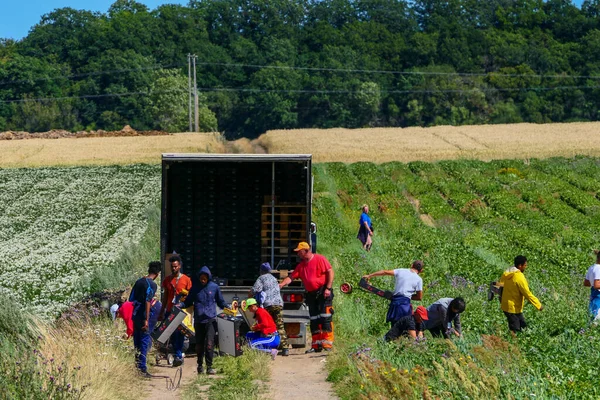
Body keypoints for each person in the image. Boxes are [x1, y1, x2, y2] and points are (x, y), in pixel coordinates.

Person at [279, 242, 335, 353]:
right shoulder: (301, 266)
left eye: (299, 252)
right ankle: (316, 345)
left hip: (323, 292)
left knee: (325, 317)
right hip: (311, 294)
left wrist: (328, 288)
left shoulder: (320, 259)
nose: (298, 254)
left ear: (306, 251)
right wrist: (281, 284)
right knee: (314, 319)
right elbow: (291, 277)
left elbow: (330, 272)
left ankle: (327, 344)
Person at [181, 266, 228, 375]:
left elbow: (221, 302)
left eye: (204, 279)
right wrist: (180, 305)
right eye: (201, 278)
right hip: (198, 320)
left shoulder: (214, 287)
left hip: (210, 320)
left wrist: (228, 307)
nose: (202, 280)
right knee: (199, 344)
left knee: (210, 343)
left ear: (208, 278)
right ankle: (200, 365)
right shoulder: (195, 288)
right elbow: (188, 302)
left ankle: (209, 367)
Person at [362, 260, 424, 326]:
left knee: (394, 326)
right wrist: (406, 296)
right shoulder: (419, 279)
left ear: (411, 265)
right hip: (405, 305)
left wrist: (370, 275)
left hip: (395, 302)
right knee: (406, 326)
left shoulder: (401, 271)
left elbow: (384, 272)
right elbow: (419, 297)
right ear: (421, 271)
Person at [159, 255, 192, 367]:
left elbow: (190, 297)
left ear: (179, 266)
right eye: (172, 267)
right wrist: (162, 311)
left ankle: (178, 355)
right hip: (170, 310)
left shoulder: (186, 280)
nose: (173, 269)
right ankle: (177, 354)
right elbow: (165, 297)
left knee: (180, 333)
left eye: (175, 266)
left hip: (181, 311)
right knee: (172, 333)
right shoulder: (167, 280)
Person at [249, 262, 289, 356]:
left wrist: (250, 295)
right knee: (280, 326)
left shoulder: (261, 278)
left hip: (268, 305)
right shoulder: (274, 278)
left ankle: (267, 345)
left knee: (267, 325)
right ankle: (285, 348)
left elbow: (255, 289)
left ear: (261, 271)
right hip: (278, 304)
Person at [128, 261, 161, 376]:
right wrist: (146, 319)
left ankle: (137, 366)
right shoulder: (152, 284)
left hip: (135, 314)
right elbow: (147, 301)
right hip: (143, 315)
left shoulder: (138, 282)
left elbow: (131, 299)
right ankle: (142, 368)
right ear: (157, 273)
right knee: (144, 341)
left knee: (136, 340)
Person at [498, 255, 543, 333]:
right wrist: (538, 305)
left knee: (523, 327)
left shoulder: (507, 273)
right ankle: (512, 344)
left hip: (509, 305)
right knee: (516, 330)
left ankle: (516, 341)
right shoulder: (519, 278)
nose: (526, 267)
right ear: (520, 266)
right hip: (512, 308)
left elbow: (500, 285)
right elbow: (527, 294)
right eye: (525, 265)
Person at [583, 250, 600, 321]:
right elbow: (596, 285)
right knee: (596, 320)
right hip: (598, 296)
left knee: (591, 317)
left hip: (593, 296)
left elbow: (586, 283)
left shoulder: (592, 267)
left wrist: (593, 281)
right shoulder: (599, 268)